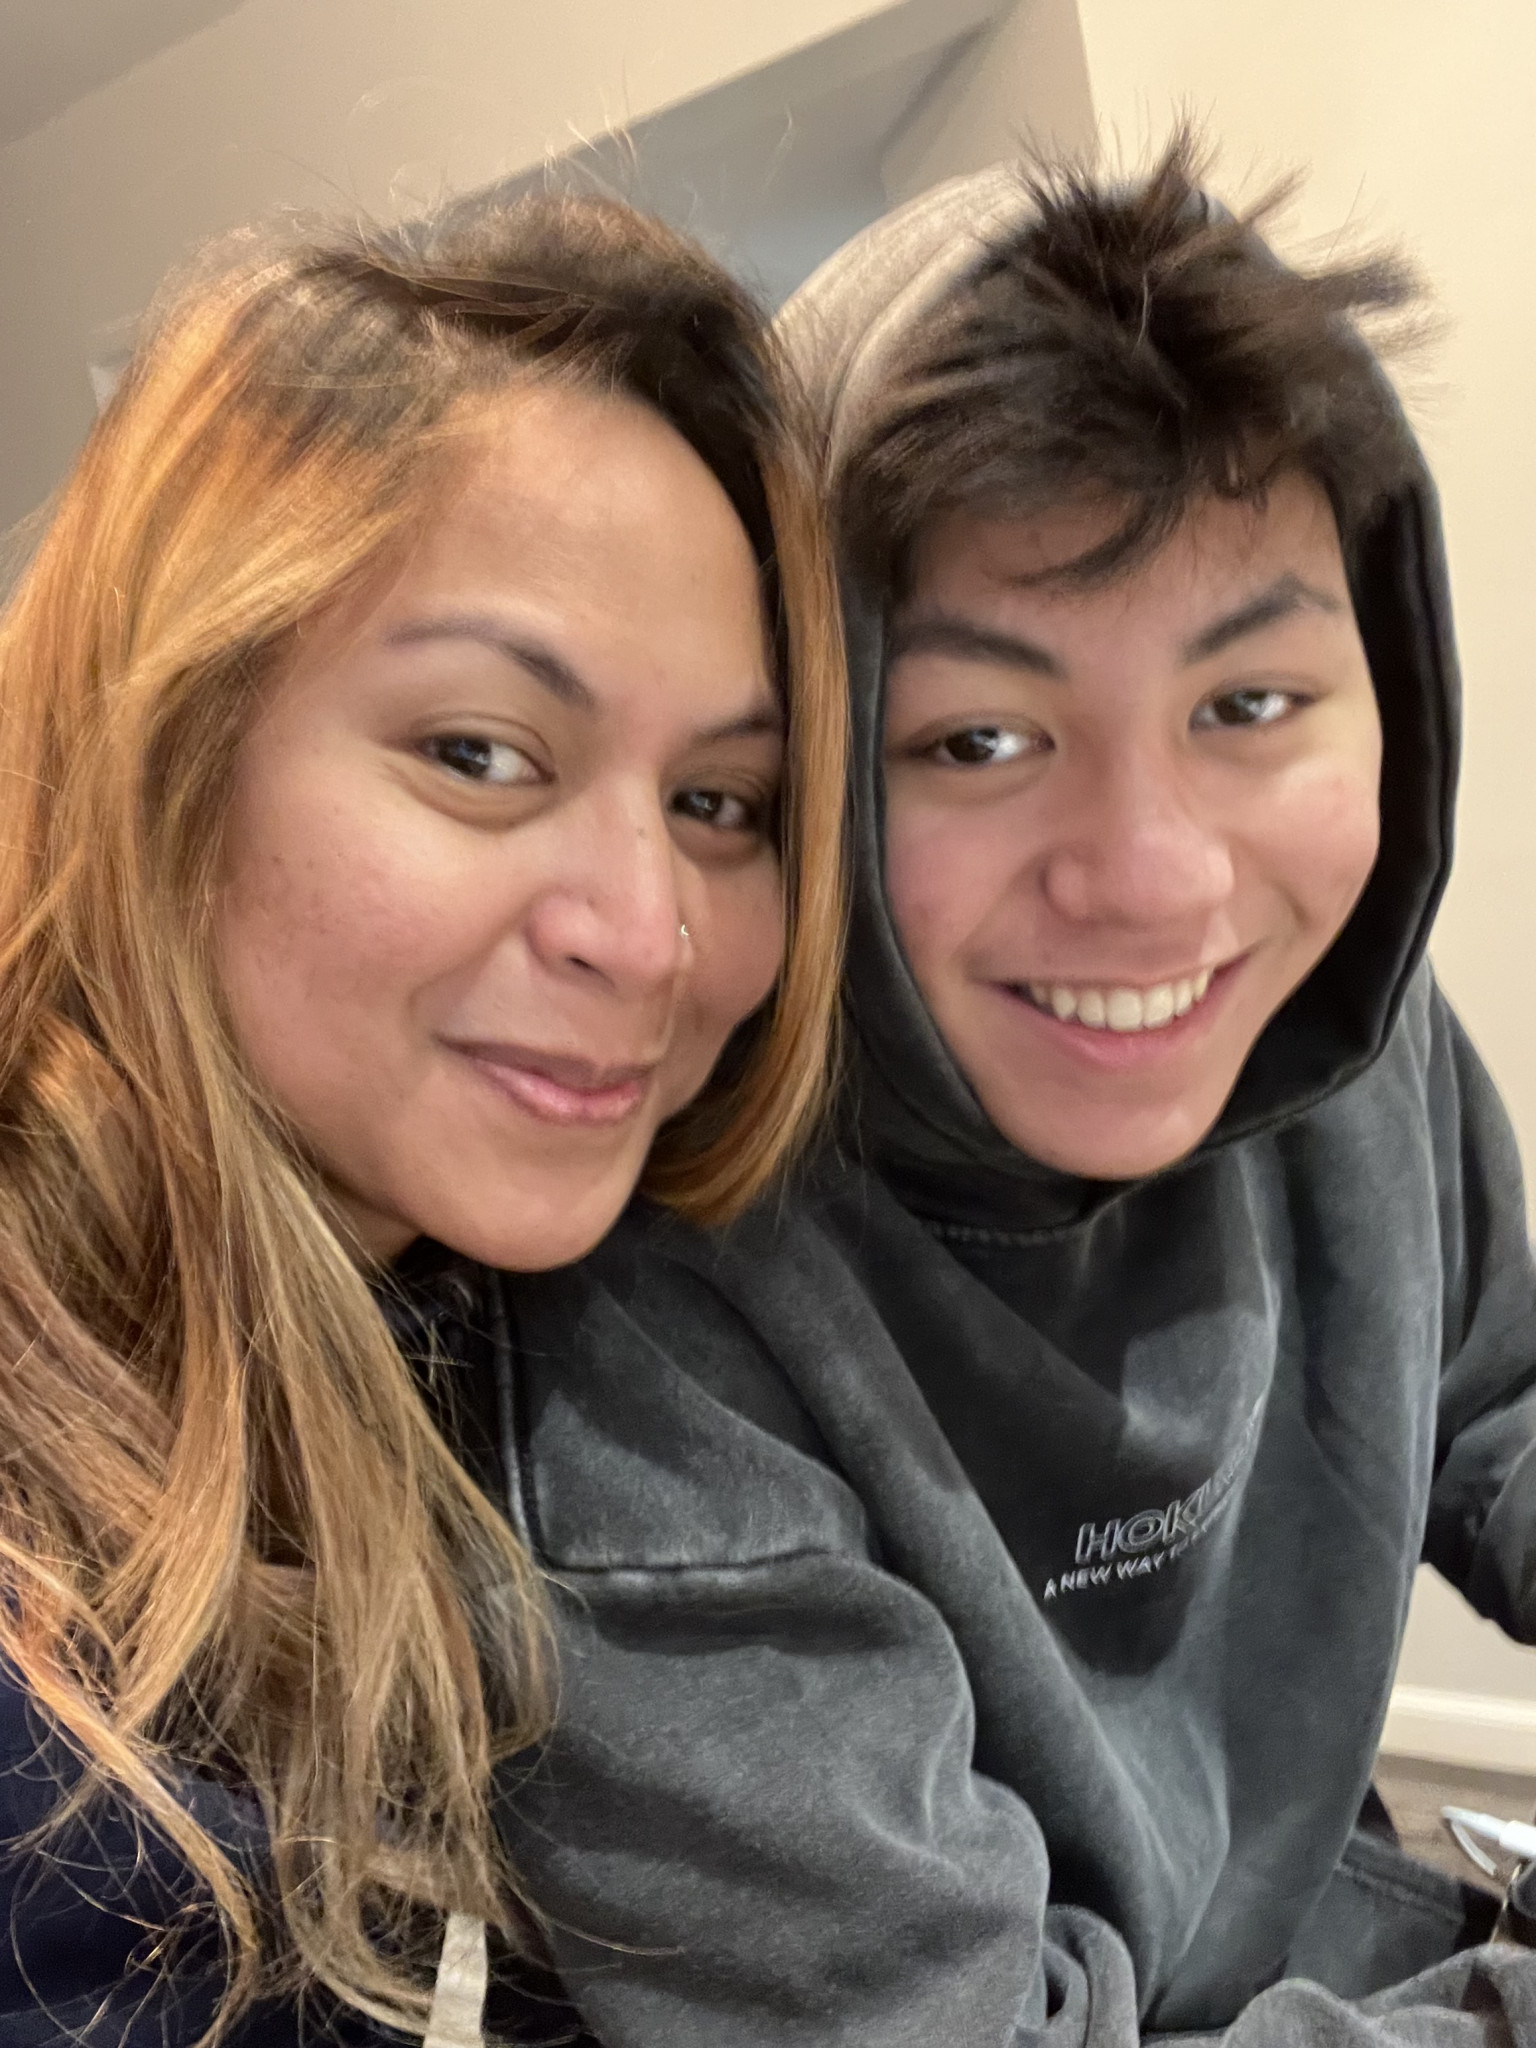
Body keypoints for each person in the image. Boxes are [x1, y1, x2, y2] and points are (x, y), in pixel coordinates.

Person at [489, 139, 1536, 2046]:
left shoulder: (1333, 1042)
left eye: (1248, 706)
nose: (1157, 884)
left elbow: (1500, 1402)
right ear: (807, 764)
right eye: (979, 738)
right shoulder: (646, 1324)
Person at [0, 191, 846, 2045]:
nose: (646, 930)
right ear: (169, 757)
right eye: (480, 755)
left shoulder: (577, 1354)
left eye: (720, 801)